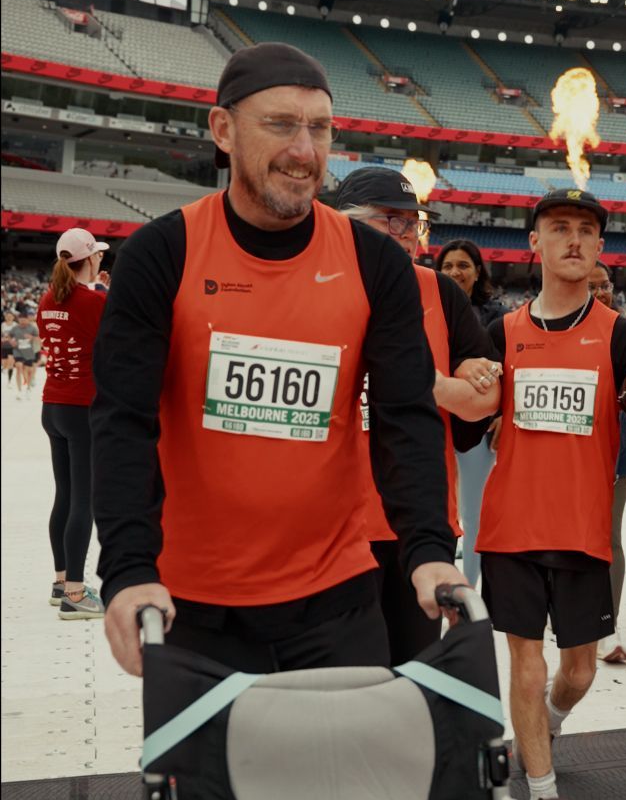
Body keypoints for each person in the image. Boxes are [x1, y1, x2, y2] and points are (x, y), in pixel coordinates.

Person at [90, 42, 464, 686]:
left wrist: (428, 548)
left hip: (337, 598)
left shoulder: (374, 263)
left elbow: (405, 417)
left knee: (360, 754)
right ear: (223, 129)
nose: (304, 150)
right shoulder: (161, 253)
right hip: (193, 602)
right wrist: (127, 570)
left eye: (320, 128)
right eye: (281, 124)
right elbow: (123, 421)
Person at [475, 190, 626, 800]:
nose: (573, 239)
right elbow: (466, 420)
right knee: (526, 665)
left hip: (583, 532)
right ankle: (541, 798)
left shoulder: (622, 337)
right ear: (533, 243)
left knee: (579, 672)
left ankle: (547, 723)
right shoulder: (501, 332)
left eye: (586, 231)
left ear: (599, 247)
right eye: (559, 227)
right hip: (511, 529)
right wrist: (472, 387)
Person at [334, 173, 501, 656]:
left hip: (419, 526)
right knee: (343, 676)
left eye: (414, 223)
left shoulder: (439, 293)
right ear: (345, 224)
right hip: (330, 527)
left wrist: (426, 384)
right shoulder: (314, 288)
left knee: (414, 673)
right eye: (392, 221)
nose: (407, 235)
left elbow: (487, 397)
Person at [37, 228, 109, 618]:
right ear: (91, 259)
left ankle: (61, 581)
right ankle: (76, 596)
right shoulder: (94, 301)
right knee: (84, 499)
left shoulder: (48, 297)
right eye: (98, 254)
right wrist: (102, 293)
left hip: (53, 405)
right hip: (83, 407)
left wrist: (98, 290)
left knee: (64, 495)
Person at [435, 239, 508, 587]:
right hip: (435, 422)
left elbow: (508, 372)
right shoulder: (427, 306)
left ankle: (470, 587)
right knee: (437, 506)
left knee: (474, 511)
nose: (455, 272)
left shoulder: (496, 317)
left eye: (463, 265)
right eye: (448, 266)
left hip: (477, 427)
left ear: (478, 272)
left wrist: (502, 414)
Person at [589, 261, 626, 665]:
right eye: (592, 286)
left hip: (616, 450)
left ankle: (608, 622)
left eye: (604, 285)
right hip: (568, 454)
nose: (601, 292)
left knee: (610, 538)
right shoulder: (556, 330)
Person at [12, 308, 41, 400]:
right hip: (19, 351)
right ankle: (20, 390)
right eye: (21, 319)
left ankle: (29, 385)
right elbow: (10, 336)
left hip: (32, 350)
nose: (23, 321)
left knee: (30, 369)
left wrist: (32, 337)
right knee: (19, 367)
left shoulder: (34, 327)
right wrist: (12, 341)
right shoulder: (16, 327)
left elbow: (40, 339)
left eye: (24, 319)